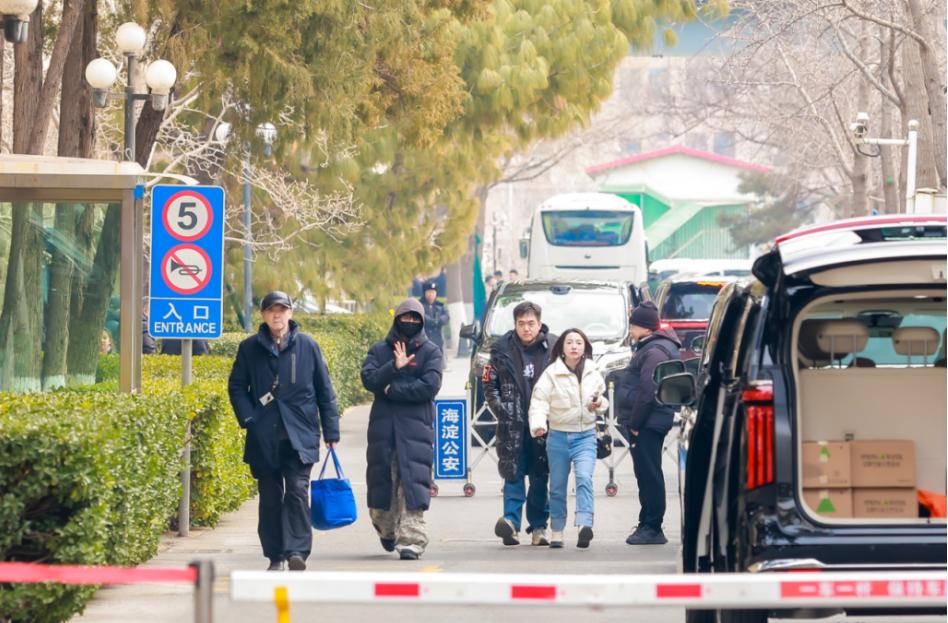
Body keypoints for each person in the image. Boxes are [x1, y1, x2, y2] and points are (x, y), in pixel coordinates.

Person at [227, 291, 340, 572]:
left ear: (290, 313)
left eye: (282, 309)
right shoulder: (249, 348)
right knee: (269, 498)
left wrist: (331, 432)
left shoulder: (308, 346)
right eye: (271, 310)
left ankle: (297, 551)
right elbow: (237, 387)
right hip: (264, 436)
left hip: (300, 434)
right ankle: (275, 554)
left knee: (298, 493)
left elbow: (325, 391)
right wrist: (249, 417)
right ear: (263, 315)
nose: (277, 315)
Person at [361, 299, 443, 560]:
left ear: (421, 321)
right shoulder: (379, 350)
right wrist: (393, 367)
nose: (409, 323)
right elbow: (369, 379)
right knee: (382, 485)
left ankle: (412, 540)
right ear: (396, 319)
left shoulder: (431, 352)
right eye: (405, 318)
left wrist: (393, 390)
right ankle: (386, 530)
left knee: (412, 484)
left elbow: (430, 385)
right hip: (383, 429)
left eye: (414, 319)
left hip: (415, 428)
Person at [528, 328, 608, 549]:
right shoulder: (551, 373)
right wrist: (538, 424)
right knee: (557, 486)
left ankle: (584, 525)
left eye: (579, 343)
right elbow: (539, 402)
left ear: (585, 347)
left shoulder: (593, 371)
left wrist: (599, 404)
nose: (574, 346)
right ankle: (557, 531)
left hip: (586, 436)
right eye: (570, 342)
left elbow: (603, 402)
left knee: (584, 477)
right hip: (558, 437)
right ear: (561, 347)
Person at [485, 301, 555, 547]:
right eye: (521, 324)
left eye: (531, 324)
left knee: (539, 477)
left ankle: (539, 528)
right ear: (515, 325)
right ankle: (511, 523)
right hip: (511, 423)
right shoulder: (500, 349)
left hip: (542, 425)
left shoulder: (554, 348)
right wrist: (501, 410)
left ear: (539, 323)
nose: (526, 329)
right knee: (512, 474)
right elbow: (489, 384)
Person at [616, 301, 680, 546]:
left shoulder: (654, 351)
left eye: (632, 326)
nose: (630, 330)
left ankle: (653, 526)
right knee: (645, 472)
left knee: (649, 473)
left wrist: (635, 422)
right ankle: (647, 521)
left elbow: (647, 390)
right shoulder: (654, 346)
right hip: (649, 421)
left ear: (643, 327)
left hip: (648, 422)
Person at [419, 282, 449, 351]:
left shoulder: (440, 305)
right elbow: (421, 316)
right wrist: (432, 321)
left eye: (433, 292)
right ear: (424, 293)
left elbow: (446, 316)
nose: (431, 295)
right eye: (429, 292)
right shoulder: (419, 305)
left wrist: (439, 320)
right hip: (424, 339)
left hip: (437, 340)